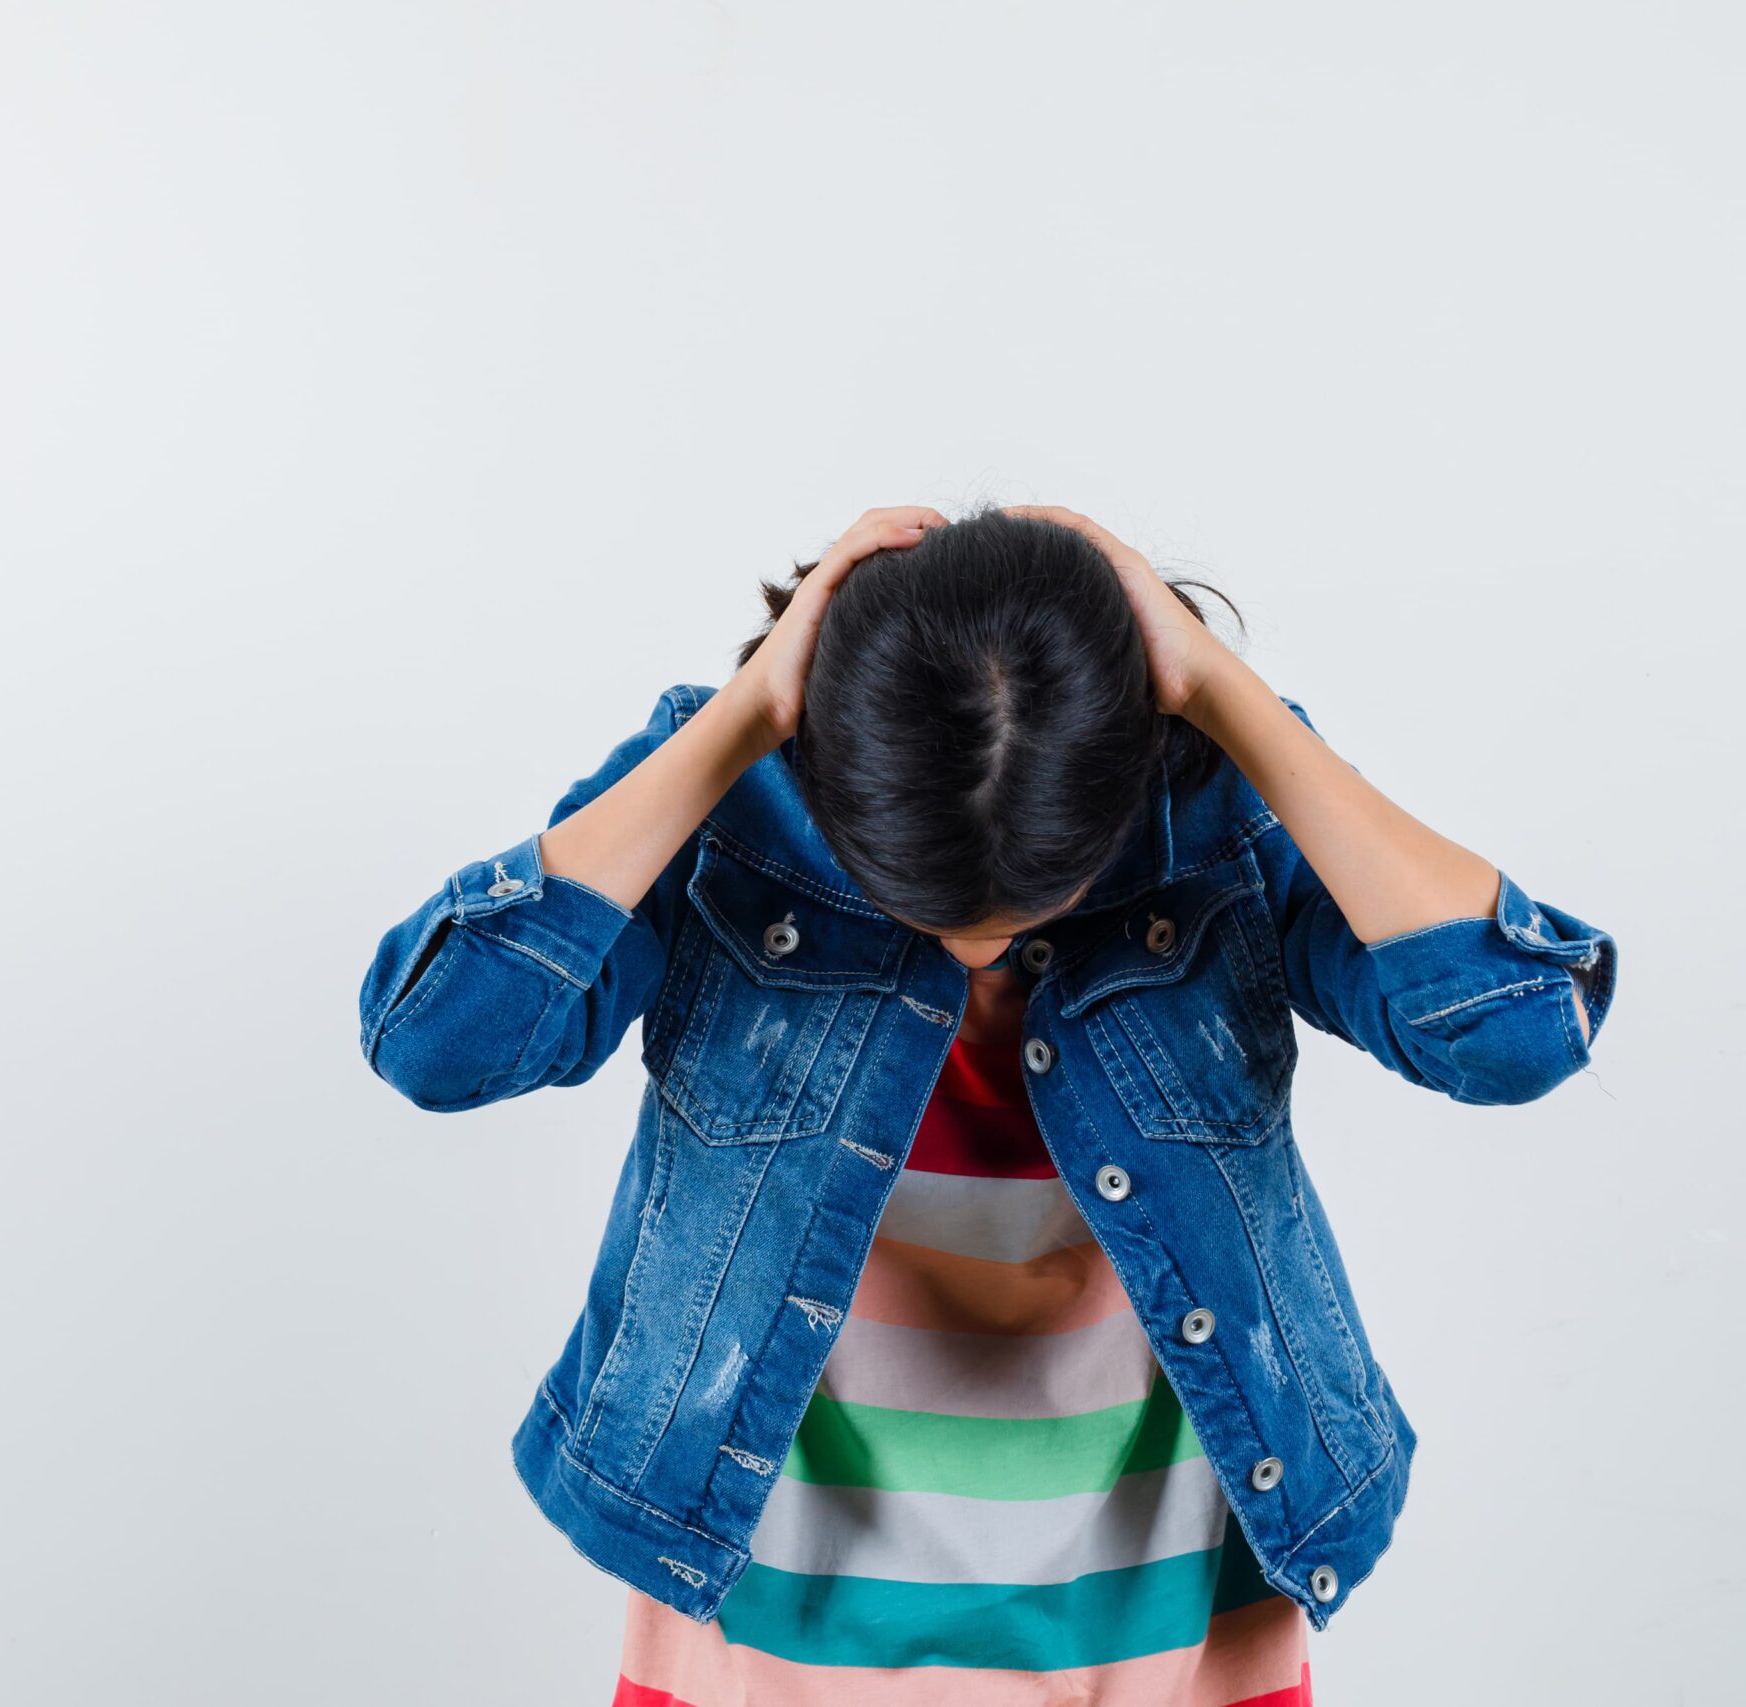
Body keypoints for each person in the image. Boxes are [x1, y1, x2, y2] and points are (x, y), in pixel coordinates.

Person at [356, 505, 1614, 1705]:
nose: (974, 951)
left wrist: (1237, 711)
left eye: (1034, 900)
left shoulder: (1213, 818)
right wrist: (737, 725)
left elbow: (1512, 1031)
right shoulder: (733, 812)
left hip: (1162, 1584)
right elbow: (438, 1046)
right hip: (777, 1576)